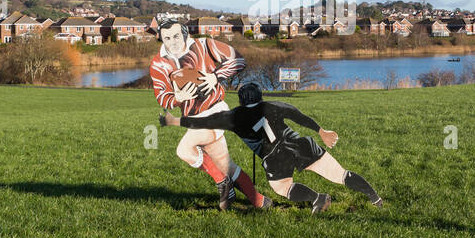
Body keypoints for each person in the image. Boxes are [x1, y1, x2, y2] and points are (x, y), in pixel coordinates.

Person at [159, 83, 383, 213]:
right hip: (299, 144)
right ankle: (375, 198)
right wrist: (321, 131)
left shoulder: (233, 117)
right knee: (340, 174)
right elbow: (299, 116)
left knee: (282, 188)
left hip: (274, 158)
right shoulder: (273, 105)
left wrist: (174, 121)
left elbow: (201, 122)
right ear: (260, 97)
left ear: (241, 100)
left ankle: (317, 198)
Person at [149, 18, 268, 211]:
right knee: (227, 166)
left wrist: (215, 76)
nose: (173, 41)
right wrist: (177, 97)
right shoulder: (158, 63)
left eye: (177, 36)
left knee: (184, 150)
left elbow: (238, 60)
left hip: (215, 111)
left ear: (185, 34)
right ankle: (260, 201)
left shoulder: (204, 45)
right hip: (193, 119)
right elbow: (162, 97)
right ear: (162, 39)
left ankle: (223, 184)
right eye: (167, 38)